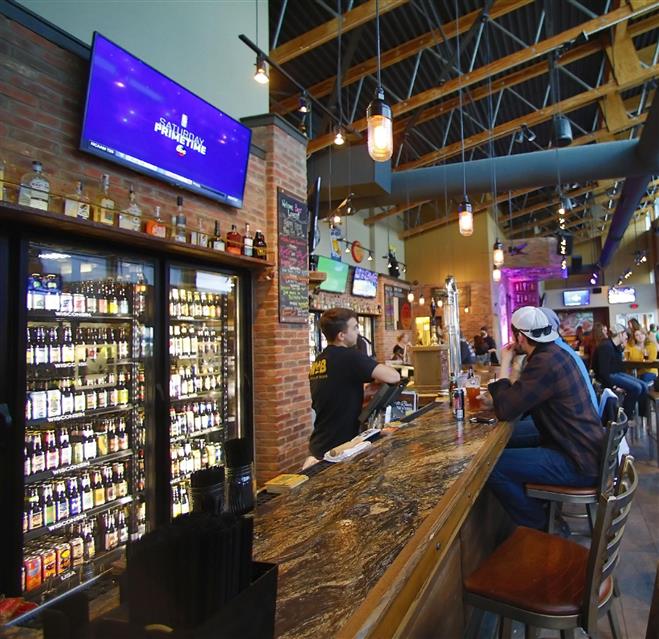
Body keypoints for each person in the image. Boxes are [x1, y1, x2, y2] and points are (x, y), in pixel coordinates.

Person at [486, 306, 605, 530]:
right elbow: (519, 398)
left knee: (491, 465)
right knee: (508, 444)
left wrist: (505, 361)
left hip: (577, 462)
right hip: (584, 450)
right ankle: (539, 508)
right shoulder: (554, 354)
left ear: (520, 337)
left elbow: (505, 409)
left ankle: (540, 526)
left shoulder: (544, 363)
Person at [308, 308, 400, 460]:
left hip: (320, 444)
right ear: (341, 336)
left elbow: (337, 392)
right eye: (355, 327)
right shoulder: (349, 357)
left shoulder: (320, 360)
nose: (358, 332)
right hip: (341, 448)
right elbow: (393, 376)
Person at [592, 323, 646, 421]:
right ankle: (625, 417)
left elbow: (619, 367)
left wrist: (621, 348)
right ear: (620, 334)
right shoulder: (606, 346)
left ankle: (643, 415)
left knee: (644, 385)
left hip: (615, 374)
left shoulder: (614, 346)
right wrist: (614, 386)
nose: (626, 337)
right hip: (608, 376)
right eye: (625, 334)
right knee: (637, 388)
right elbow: (603, 372)